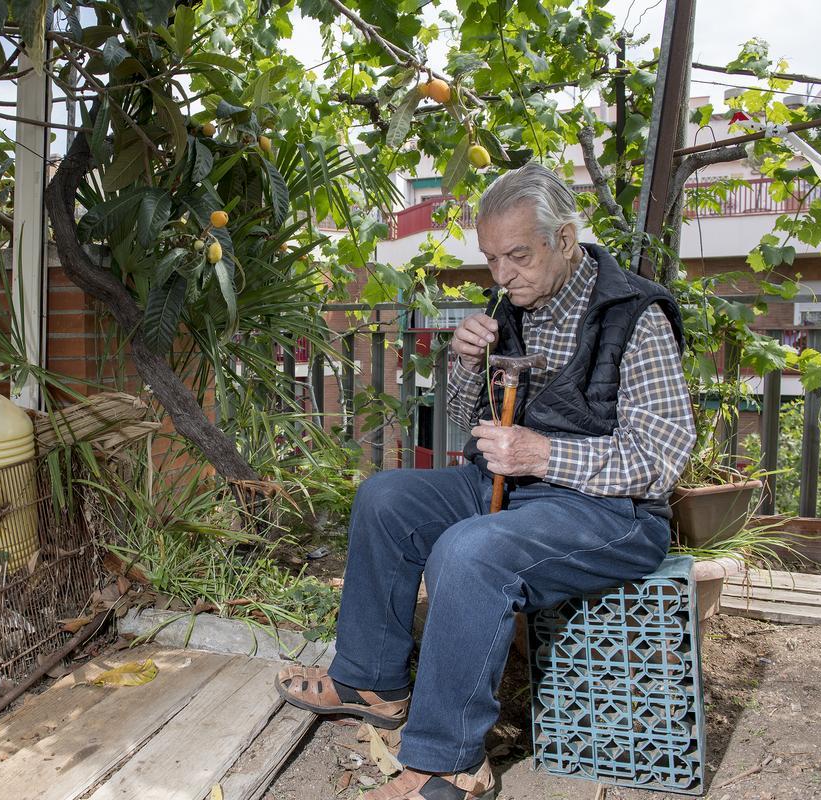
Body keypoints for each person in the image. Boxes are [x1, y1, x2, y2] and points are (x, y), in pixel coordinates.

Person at [274, 162, 695, 800]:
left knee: (470, 553)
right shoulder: (508, 303)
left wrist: (543, 457)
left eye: (518, 256)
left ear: (565, 238)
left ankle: (450, 761)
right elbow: (473, 421)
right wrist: (466, 364)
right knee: (386, 498)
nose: (502, 276)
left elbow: (663, 456)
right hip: (513, 483)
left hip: (612, 511)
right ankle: (370, 681)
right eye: (491, 259)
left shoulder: (634, 316)